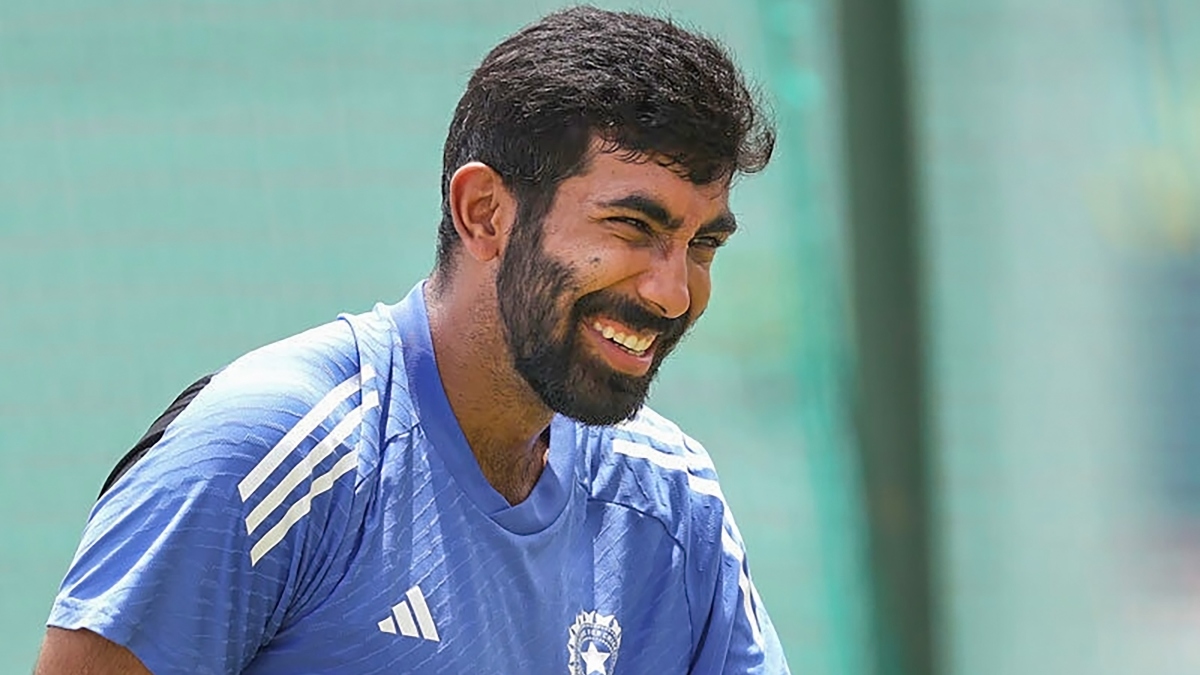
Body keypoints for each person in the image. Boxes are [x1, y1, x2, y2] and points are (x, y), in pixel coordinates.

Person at [34, 6, 789, 674]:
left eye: (702, 244)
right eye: (634, 227)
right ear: (486, 212)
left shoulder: (670, 500)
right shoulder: (268, 454)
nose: (674, 290)